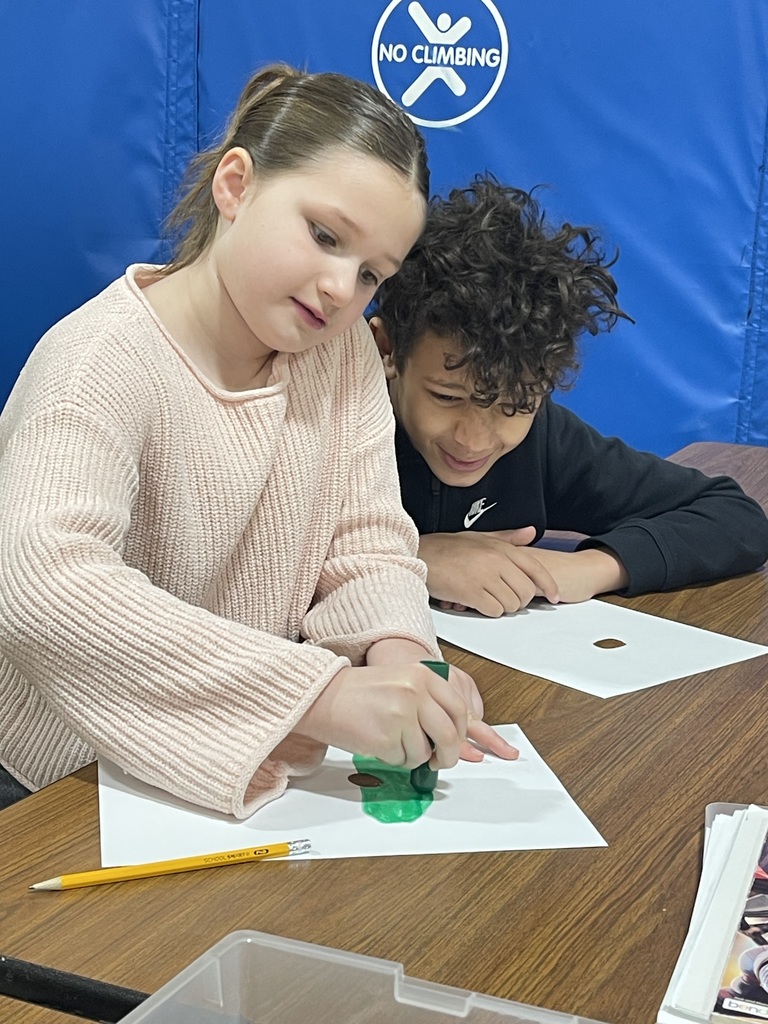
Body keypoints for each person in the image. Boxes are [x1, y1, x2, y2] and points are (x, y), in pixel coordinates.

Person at [0, 66, 517, 817]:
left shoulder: (339, 355)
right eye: (324, 235)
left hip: (225, 761)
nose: (342, 287)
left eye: (371, 272)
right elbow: (42, 590)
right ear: (235, 186)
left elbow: (365, 539)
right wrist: (325, 695)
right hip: (58, 780)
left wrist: (404, 652)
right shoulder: (95, 363)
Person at [369, 176, 768, 617]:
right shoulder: (334, 429)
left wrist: (591, 568)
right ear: (387, 350)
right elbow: (280, 560)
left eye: (515, 405)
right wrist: (415, 557)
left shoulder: (545, 443)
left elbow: (735, 518)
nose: (474, 440)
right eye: (446, 397)